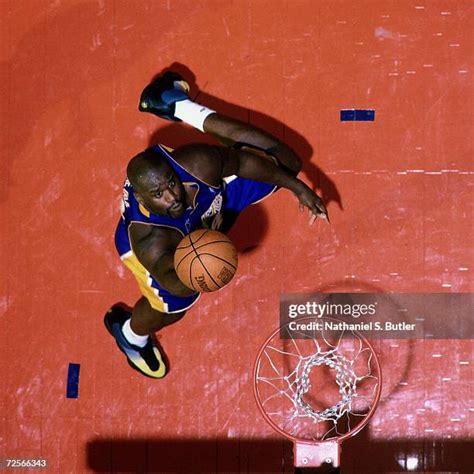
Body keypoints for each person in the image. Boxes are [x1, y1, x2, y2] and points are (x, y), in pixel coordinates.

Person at [105, 71, 328, 379]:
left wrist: (296, 186)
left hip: (205, 212)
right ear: (144, 200)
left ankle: (177, 106)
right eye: (159, 195)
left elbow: (243, 163)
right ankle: (131, 335)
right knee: (174, 307)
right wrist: (206, 266)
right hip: (174, 252)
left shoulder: (194, 164)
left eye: (170, 184)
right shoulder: (148, 240)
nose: (172, 196)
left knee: (285, 163)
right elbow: (177, 282)